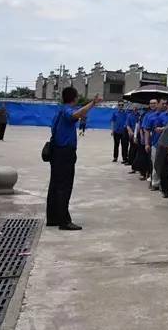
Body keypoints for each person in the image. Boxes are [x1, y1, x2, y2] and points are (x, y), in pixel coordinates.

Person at [46, 87, 101, 230]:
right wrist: (93, 103)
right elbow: (76, 114)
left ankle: (53, 218)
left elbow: (77, 115)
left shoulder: (60, 110)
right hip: (64, 152)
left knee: (55, 185)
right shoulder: (66, 111)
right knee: (64, 186)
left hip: (57, 151)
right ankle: (64, 221)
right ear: (74, 98)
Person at [126, 107, 140, 174]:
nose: (135, 108)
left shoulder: (140, 114)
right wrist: (131, 132)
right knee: (132, 151)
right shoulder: (130, 115)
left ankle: (139, 168)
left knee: (139, 152)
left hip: (140, 135)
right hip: (132, 135)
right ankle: (133, 168)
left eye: (136, 107)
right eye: (133, 107)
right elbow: (128, 125)